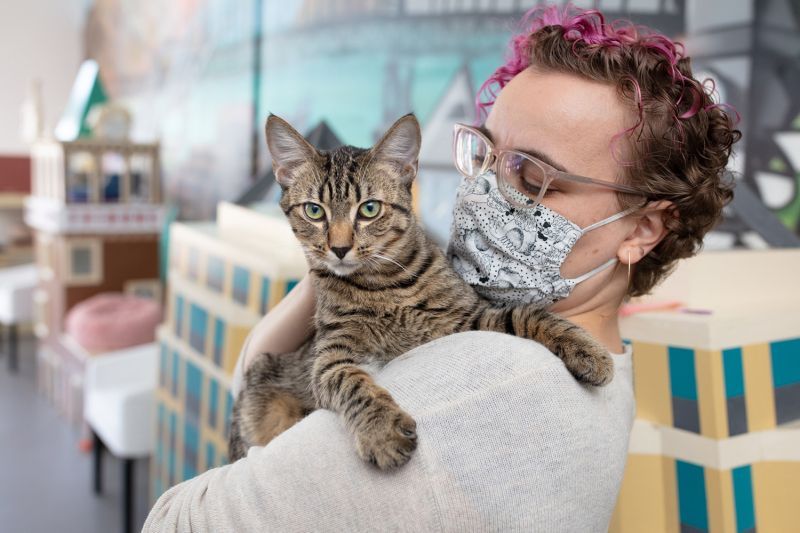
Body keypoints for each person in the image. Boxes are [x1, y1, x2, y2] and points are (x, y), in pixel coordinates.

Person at [144, 4, 739, 531]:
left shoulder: (495, 386)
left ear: (640, 230)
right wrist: (332, 272)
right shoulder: (594, 367)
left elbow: (175, 521)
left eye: (532, 178)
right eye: (482, 155)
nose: (485, 193)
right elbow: (261, 374)